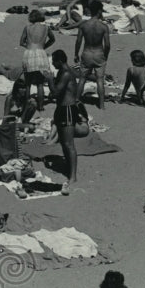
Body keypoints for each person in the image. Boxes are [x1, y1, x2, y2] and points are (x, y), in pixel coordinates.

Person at [43, 50, 89, 194]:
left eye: (54, 61)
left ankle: (73, 176)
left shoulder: (67, 73)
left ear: (59, 61)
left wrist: (49, 80)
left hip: (68, 110)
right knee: (63, 142)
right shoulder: (63, 72)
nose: (53, 64)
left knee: (69, 144)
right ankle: (69, 168)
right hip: (61, 109)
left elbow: (56, 92)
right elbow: (55, 93)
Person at [75, 0, 111, 109]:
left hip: (87, 52)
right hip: (99, 52)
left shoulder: (84, 25)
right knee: (100, 80)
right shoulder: (104, 27)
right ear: (99, 11)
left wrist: (76, 54)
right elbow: (107, 45)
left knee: (82, 79)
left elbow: (78, 41)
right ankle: (101, 104)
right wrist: (105, 55)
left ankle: (76, 100)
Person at [19, 9, 57, 105]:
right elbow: (52, 39)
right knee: (40, 83)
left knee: (28, 83)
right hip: (41, 52)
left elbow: (21, 42)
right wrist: (44, 46)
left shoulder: (27, 27)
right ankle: (40, 105)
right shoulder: (46, 28)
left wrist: (28, 46)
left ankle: (27, 104)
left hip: (29, 52)